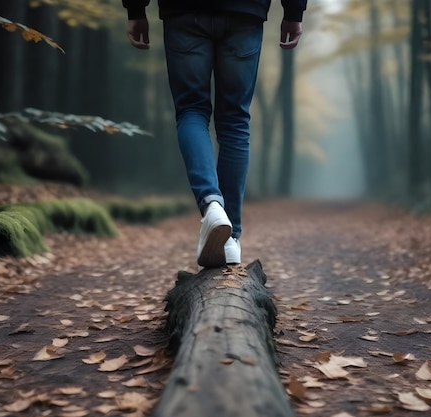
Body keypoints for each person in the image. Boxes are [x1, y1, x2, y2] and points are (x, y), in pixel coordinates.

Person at [121, 0, 307, 267]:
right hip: (246, 12)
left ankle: (211, 205)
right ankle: (230, 239)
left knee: (191, 111)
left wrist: (136, 9)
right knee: (235, 121)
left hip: (185, 14)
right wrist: (293, 11)